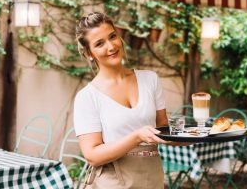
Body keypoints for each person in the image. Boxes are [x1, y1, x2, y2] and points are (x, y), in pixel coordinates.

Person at [73, 12, 173, 188]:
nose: (111, 46)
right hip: (113, 181)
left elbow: (163, 129)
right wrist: (136, 137)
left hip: (152, 177)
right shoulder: (87, 97)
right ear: (89, 53)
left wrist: (200, 134)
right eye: (100, 43)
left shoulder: (150, 79)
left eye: (112, 36)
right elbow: (92, 155)